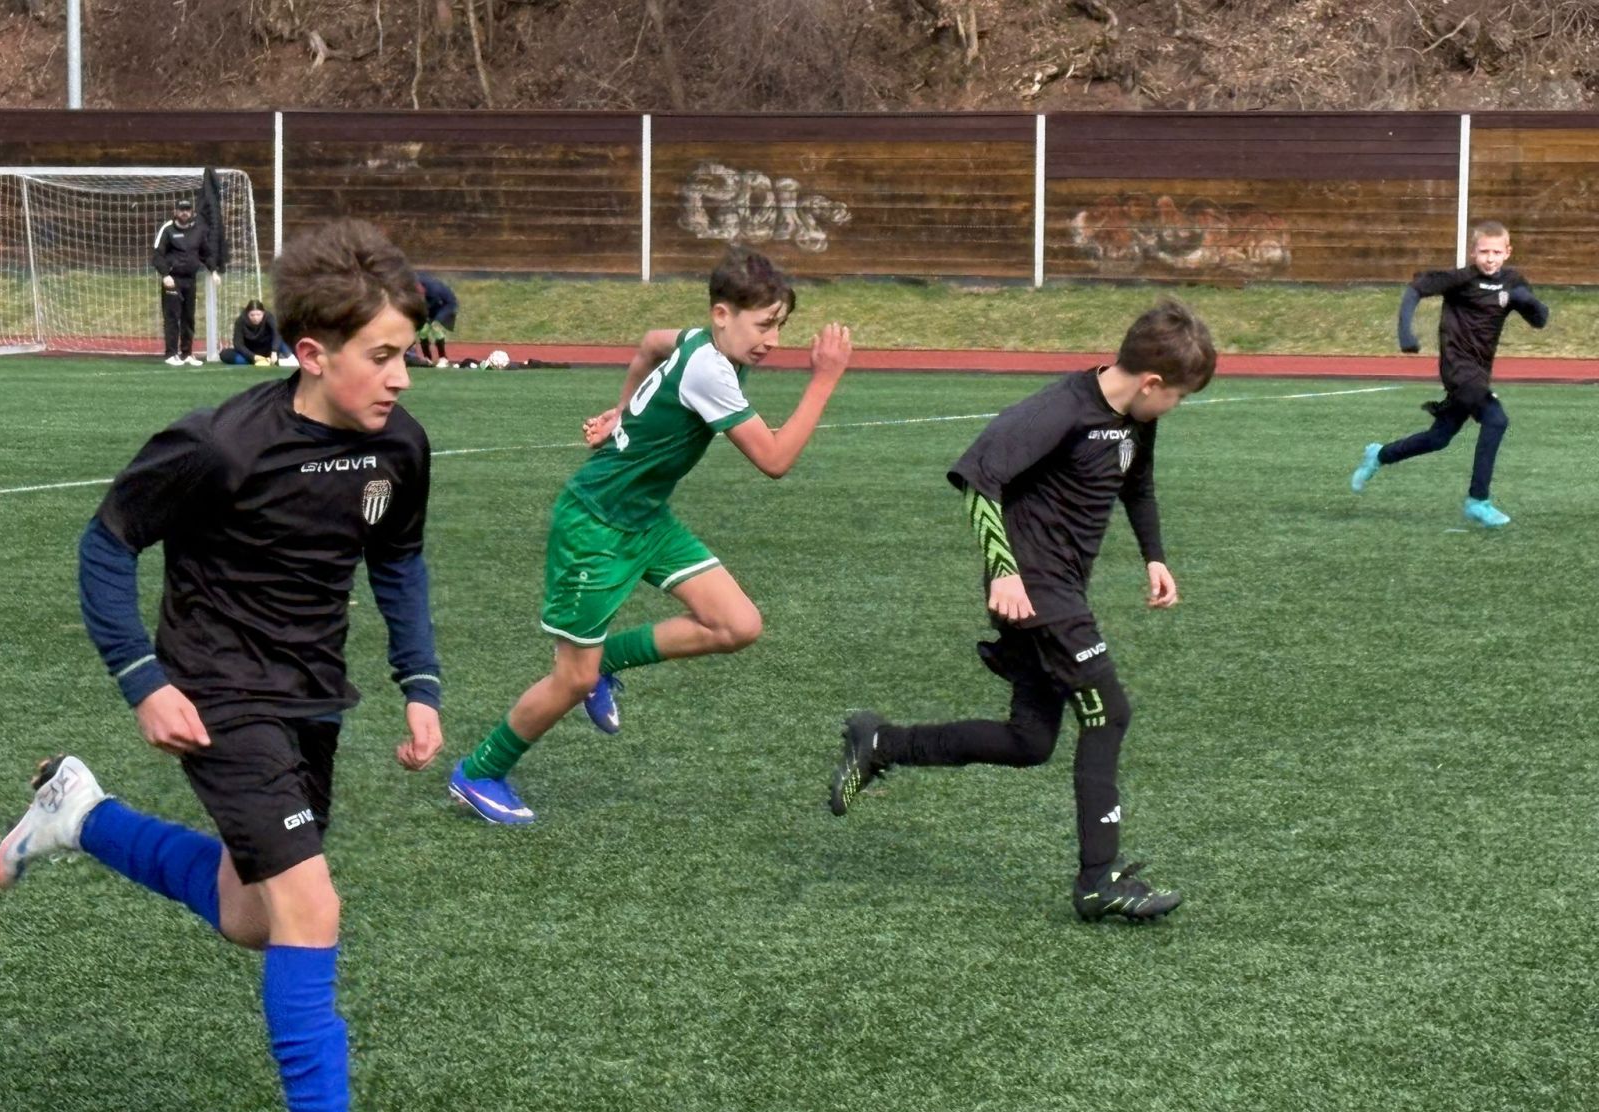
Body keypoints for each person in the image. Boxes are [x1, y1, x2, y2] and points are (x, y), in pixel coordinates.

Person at [0, 219, 441, 1112]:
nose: (401, 378)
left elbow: (398, 561)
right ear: (313, 354)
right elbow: (106, 544)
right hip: (218, 692)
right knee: (311, 906)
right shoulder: (220, 445)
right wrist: (143, 678)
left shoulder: (398, 448)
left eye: (405, 354)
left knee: (255, 916)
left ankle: (81, 816)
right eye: (381, 356)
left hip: (312, 696)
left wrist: (420, 683)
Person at [828, 300, 1215, 924]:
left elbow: (1136, 484)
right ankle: (1099, 881)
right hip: (1035, 590)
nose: (1176, 406)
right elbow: (977, 477)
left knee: (1029, 740)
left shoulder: (1135, 419)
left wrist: (1155, 557)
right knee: (1109, 712)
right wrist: (1003, 570)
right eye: (1178, 396)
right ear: (1151, 383)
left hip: (1062, 590)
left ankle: (882, 742)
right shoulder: (1059, 409)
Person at [448, 245, 851, 824]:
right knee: (571, 677)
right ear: (722, 315)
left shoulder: (699, 341)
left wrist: (622, 411)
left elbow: (649, 343)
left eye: (780, 326)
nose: (773, 340)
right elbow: (775, 459)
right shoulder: (710, 368)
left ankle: (606, 662)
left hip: (645, 518)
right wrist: (825, 378)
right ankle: (480, 771)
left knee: (737, 624)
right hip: (595, 526)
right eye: (764, 325)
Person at [1350, 219, 1549, 527]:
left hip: (1479, 372)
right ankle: (1478, 501)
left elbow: (1540, 320)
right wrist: (1405, 333)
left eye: (1497, 252)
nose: (1490, 258)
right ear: (1473, 252)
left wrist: (1528, 301)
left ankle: (1379, 455)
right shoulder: (1460, 279)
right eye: (1484, 252)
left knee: (1439, 438)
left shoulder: (1513, 282)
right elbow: (1415, 289)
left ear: (1508, 252)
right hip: (1457, 367)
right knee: (1496, 419)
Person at [151, 196, 220, 366]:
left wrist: (213, 270)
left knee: (189, 317)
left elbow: (206, 253)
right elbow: (157, 255)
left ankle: (187, 353)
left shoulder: (198, 230)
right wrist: (165, 275)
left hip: (191, 280)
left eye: (187, 210)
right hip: (173, 280)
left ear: (192, 212)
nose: (184, 213)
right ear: (175, 212)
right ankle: (171, 354)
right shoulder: (167, 230)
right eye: (181, 210)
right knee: (172, 316)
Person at [219, 299, 298, 367]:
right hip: (251, 352)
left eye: (258, 314)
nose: (255, 318)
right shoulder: (240, 321)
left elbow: (276, 334)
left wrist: (274, 351)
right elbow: (238, 344)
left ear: (263, 313)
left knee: (281, 338)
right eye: (252, 315)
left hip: (269, 350)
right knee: (225, 354)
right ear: (247, 314)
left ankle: (287, 358)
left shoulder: (269, 317)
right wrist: (254, 357)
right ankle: (266, 361)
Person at [415, 272, 458, 366]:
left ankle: (443, 358)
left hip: (446, 305)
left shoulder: (433, 290)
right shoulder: (416, 283)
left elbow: (434, 304)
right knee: (423, 331)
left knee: (435, 327)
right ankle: (427, 358)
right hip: (433, 306)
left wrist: (430, 318)